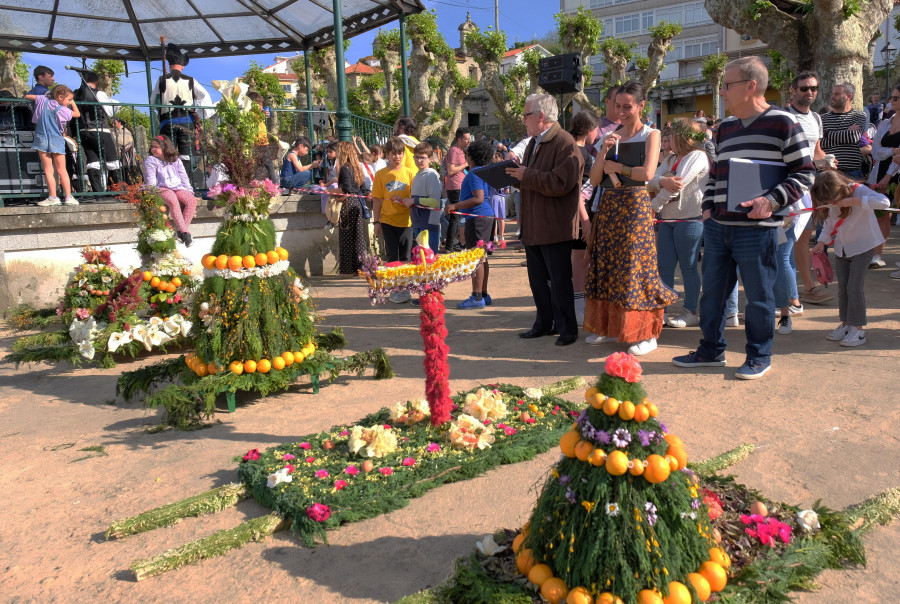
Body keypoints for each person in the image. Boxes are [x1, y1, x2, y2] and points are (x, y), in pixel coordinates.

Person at [672, 56, 815, 380]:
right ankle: (710, 350)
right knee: (712, 295)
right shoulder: (724, 129)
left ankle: (759, 356)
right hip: (718, 227)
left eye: (727, 85)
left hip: (757, 230)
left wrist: (771, 200)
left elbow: (806, 173)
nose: (721, 92)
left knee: (759, 298)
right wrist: (708, 209)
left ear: (750, 86)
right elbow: (715, 175)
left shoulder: (783, 122)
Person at [585, 81, 676, 356]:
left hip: (635, 206)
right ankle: (609, 326)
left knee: (635, 267)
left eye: (627, 106)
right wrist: (603, 153)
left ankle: (645, 333)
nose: (621, 111)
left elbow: (648, 174)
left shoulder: (652, 134)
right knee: (609, 264)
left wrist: (619, 166)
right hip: (610, 205)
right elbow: (594, 179)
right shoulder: (609, 136)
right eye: (617, 106)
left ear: (640, 106)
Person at [504, 93, 583, 346]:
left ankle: (567, 329)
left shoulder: (564, 142)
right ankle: (544, 323)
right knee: (537, 280)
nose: (523, 120)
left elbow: (562, 183)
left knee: (559, 281)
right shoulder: (533, 143)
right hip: (533, 225)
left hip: (554, 225)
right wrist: (514, 175)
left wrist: (526, 175)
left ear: (540, 116)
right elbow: (532, 177)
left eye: (526, 115)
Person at [810, 171, 889, 347]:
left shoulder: (859, 191)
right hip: (842, 248)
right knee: (843, 288)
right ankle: (846, 324)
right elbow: (830, 223)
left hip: (863, 247)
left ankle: (858, 329)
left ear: (840, 188)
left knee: (854, 288)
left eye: (833, 199)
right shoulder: (833, 200)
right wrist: (822, 242)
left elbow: (884, 202)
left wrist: (854, 201)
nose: (832, 204)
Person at [649, 118, 710, 329]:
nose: (667, 139)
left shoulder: (698, 156)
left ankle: (690, 310)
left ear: (682, 137)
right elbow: (651, 180)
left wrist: (654, 205)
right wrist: (662, 181)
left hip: (689, 219)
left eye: (671, 135)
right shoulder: (670, 159)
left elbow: (678, 184)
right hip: (666, 220)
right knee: (664, 267)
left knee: (688, 266)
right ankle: (662, 311)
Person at [785, 71, 833, 305]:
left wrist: (827, 163)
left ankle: (803, 288)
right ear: (793, 91)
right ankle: (798, 290)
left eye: (813, 88)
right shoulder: (784, 117)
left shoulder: (815, 118)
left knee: (803, 236)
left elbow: (817, 151)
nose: (810, 92)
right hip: (789, 185)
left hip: (809, 185)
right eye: (804, 88)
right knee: (790, 238)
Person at [150, 44, 213, 173]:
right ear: (182, 65)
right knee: (186, 156)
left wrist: (161, 111)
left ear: (170, 63)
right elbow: (205, 97)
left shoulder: (162, 80)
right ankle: (186, 184)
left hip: (168, 123)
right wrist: (199, 114)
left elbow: (153, 101)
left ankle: (170, 183)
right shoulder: (191, 80)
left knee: (167, 154)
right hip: (186, 122)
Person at [449, 139, 495, 309]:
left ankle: (477, 297)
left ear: (471, 157)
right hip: (484, 217)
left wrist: (455, 205)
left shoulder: (474, 174)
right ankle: (483, 294)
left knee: (475, 258)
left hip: (478, 218)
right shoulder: (482, 172)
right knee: (482, 257)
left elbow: (478, 198)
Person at [372, 136, 416, 303]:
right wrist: (376, 222)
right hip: (387, 221)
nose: (397, 157)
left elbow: (415, 198)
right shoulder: (381, 174)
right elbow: (376, 199)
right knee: (392, 257)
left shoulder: (411, 173)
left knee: (405, 258)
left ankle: (404, 289)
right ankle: (394, 290)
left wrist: (407, 201)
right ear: (387, 155)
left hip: (407, 222)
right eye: (393, 153)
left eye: (400, 153)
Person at [568, 110, 600, 326]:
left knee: (578, 260)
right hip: (581, 215)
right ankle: (579, 305)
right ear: (590, 131)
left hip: (572, 215)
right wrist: (586, 221)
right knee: (580, 260)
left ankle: (578, 302)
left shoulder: (566, 150)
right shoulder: (583, 155)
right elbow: (578, 191)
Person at [26, 85, 79, 207]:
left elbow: (28, 96)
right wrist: (74, 103)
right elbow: (77, 114)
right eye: (69, 100)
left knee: (48, 170)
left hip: (42, 138)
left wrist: (46, 96)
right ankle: (68, 197)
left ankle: (53, 197)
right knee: (62, 170)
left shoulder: (43, 100)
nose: (69, 102)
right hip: (56, 139)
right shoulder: (63, 110)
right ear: (60, 97)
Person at [867, 84, 900, 271]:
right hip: (879, 172)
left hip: (895, 174)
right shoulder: (886, 122)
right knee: (881, 214)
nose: (891, 101)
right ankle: (877, 254)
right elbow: (875, 151)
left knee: (893, 213)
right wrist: (893, 150)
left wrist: (889, 176)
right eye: (891, 98)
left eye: (895, 98)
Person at [144, 135, 197, 247]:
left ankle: (181, 232)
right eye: (152, 146)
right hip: (160, 188)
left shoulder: (175, 160)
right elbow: (151, 180)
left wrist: (189, 190)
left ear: (165, 147)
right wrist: (153, 192)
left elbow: (183, 177)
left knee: (191, 200)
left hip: (177, 187)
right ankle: (185, 233)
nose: (153, 149)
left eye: (156, 147)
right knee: (172, 199)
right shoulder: (151, 160)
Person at [72, 70, 119, 195]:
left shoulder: (75, 94)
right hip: (100, 130)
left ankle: (98, 192)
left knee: (93, 162)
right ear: (96, 82)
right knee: (112, 161)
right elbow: (109, 112)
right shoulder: (99, 93)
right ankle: (117, 191)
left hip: (83, 132)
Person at [334, 141, 369, 275]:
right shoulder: (357, 167)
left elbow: (346, 188)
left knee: (346, 237)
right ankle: (361, 268)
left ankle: (347, 270)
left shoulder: (344, 168)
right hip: (357, 203)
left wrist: (334, 192)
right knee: (358, 237)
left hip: (347, 204)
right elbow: (363, 188)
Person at [821, 82, 867, 180]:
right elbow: (821, 142)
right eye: (833, 94)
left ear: (849, 96)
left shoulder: (859, 116)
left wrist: (827, 133)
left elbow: (853, 137)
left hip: (852, 172)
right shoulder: (822, 119)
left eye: (837, 94)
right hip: (829, 172)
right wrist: (845, 132)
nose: (833, 97)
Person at [405, 141, 443, 256]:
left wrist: (414, 201)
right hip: (417, 223)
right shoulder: (417, 175)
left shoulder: (431, 175)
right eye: (416, 157)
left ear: (430, 158)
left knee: (429, 258)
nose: (419, 160)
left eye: (422, 158)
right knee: (420, 260)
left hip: (429, 224)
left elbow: (435, 202)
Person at [443, 127, 470, 252]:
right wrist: (466, 164)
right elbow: (451, 170)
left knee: (457, 217)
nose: (468, 141)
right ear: (459, 139)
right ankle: (450, 246)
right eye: (466, 139)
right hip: (455, 187)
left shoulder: (460, 151)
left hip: (459, 186)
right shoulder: (454, 151)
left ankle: (453, 243)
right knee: (455, 217)